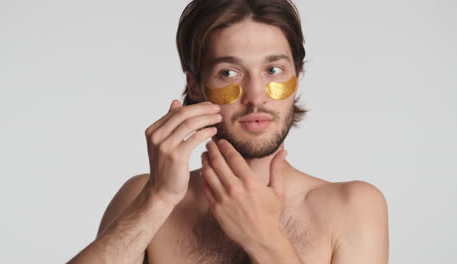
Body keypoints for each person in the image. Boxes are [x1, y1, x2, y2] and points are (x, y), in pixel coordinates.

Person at [67, 0, 389, 263]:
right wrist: (158, 199)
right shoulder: (143, 198)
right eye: (229, 72)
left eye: (273, 70)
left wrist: (267, 242)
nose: (255, 95)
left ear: (297, 77)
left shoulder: (353, 207)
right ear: (195, 84)